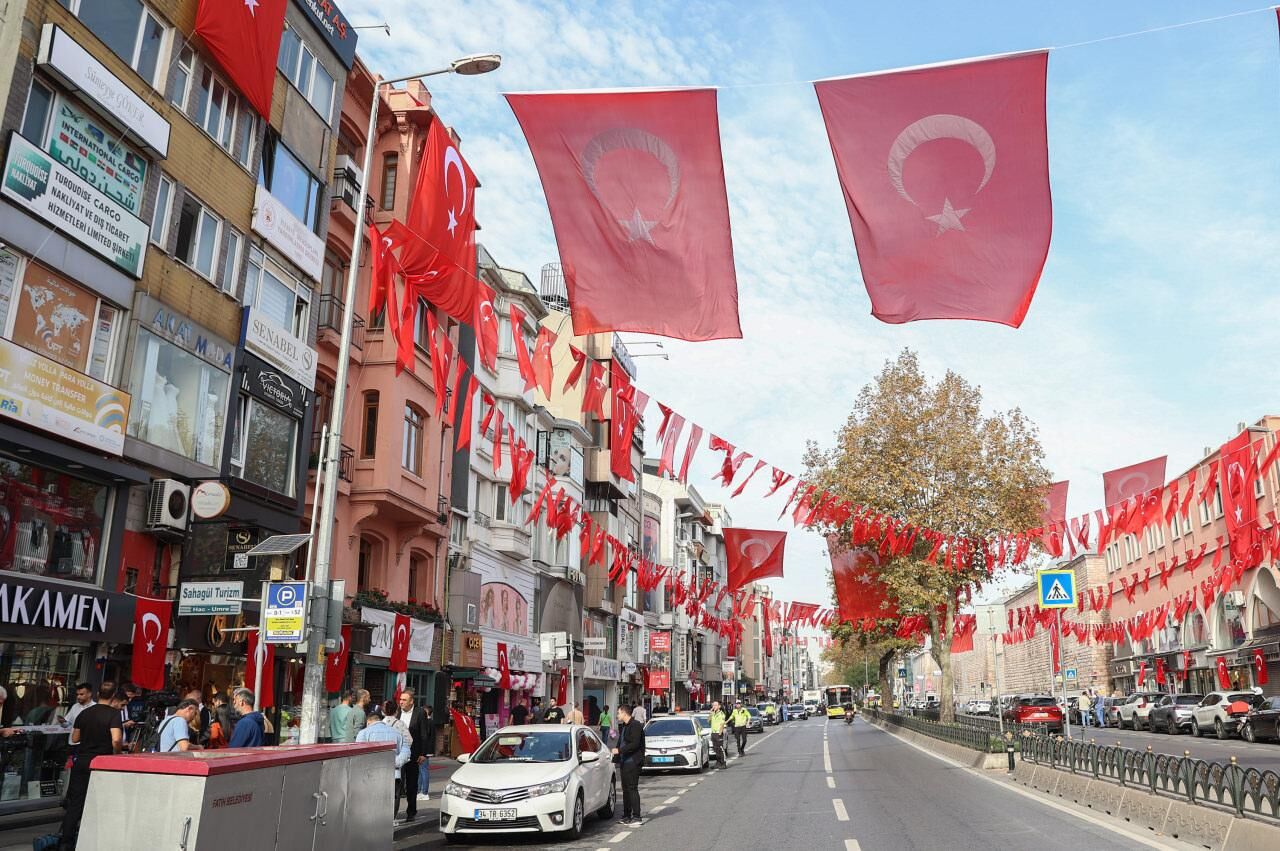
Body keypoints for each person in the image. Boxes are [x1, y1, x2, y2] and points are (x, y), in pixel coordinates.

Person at [59, 682, 122, 850]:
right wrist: (117, 753)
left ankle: (66, 841)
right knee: (100, 802)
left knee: (76, 803)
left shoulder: (84, 713)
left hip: (83, 760)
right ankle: (94, 839)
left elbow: (75, 738)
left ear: (97, 693)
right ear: (114, 695)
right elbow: (116, 739)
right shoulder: (114, 715)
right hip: (103, 762)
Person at [355, 708, 410, 823]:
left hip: (371, 773)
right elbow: (406, 751)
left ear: (368, 721)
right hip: (394, 772)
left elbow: (359, 753)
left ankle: (372, 820)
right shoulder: (397, 733)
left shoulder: (364, 733)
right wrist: (395, 762)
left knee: (371, 798)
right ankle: (391, 820)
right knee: (392, 798)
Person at [396, 690, 431, 818]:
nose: (401, 702)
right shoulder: (397, 712)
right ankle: (394, 813)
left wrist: (423, 753)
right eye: (400, 699)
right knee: (398, 783)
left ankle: (411, 812)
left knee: (411, 784)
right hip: (398, 754)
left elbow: (424, 734)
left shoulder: (419, 713)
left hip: (413, 753)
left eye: (404, 700)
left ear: (411, 701)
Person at [612, 704, 645, 826]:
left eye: (618, 713)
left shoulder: (635, 725)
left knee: (632, 788)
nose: (617, 715)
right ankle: (626, 815)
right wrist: (615, 756)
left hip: (633, 762)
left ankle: (637, 816)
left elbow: (635, 744)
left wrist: (619, 751)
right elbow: (621, 742)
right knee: (625, 790)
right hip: (624, 762)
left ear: (624, 713)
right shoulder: (625, 726)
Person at [416, 706, 436, 803]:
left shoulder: (428, 722)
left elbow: (425, 737)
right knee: (421, 771)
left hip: (425, 750)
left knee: (423, 771)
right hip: (426, 750)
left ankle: (424, 792)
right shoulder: (430, 722)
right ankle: (420, 791)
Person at [708, 701, 728, 769]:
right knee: (715, 749)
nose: (714, 707)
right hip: (713, 733)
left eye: (715, 705)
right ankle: (718, 762)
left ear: (719, 706)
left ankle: (723, 763)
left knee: (720, 749)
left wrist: (720, 734)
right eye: (713, 705)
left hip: (718, 733)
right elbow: (708, 721)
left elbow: (722, 724)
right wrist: (710, 713)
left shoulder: (721, 714)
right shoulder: (713, 713)